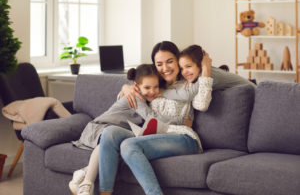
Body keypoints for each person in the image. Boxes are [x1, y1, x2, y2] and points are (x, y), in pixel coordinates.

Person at [97, 42, 256, 195]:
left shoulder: (189, 82)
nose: (165, 68)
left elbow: (201, 101)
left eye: (170, 62)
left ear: (178, 60)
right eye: (159, 64)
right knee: (109, 133)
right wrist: (126, 87)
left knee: (128, 145)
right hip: (153, 136)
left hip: (183, 137)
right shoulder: (154, 86)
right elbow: (139, 83)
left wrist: (206, 68)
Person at [69, 64, 167, 195]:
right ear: (136, 87)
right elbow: (153, 119)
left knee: (120, 146)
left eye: (156, 87)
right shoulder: (135, 98)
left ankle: (83, 171)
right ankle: (87, 184)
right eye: (147, 87)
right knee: (108, 140)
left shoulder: (143, 97)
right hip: (98, 127)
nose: (152, 91)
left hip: (114, 132)